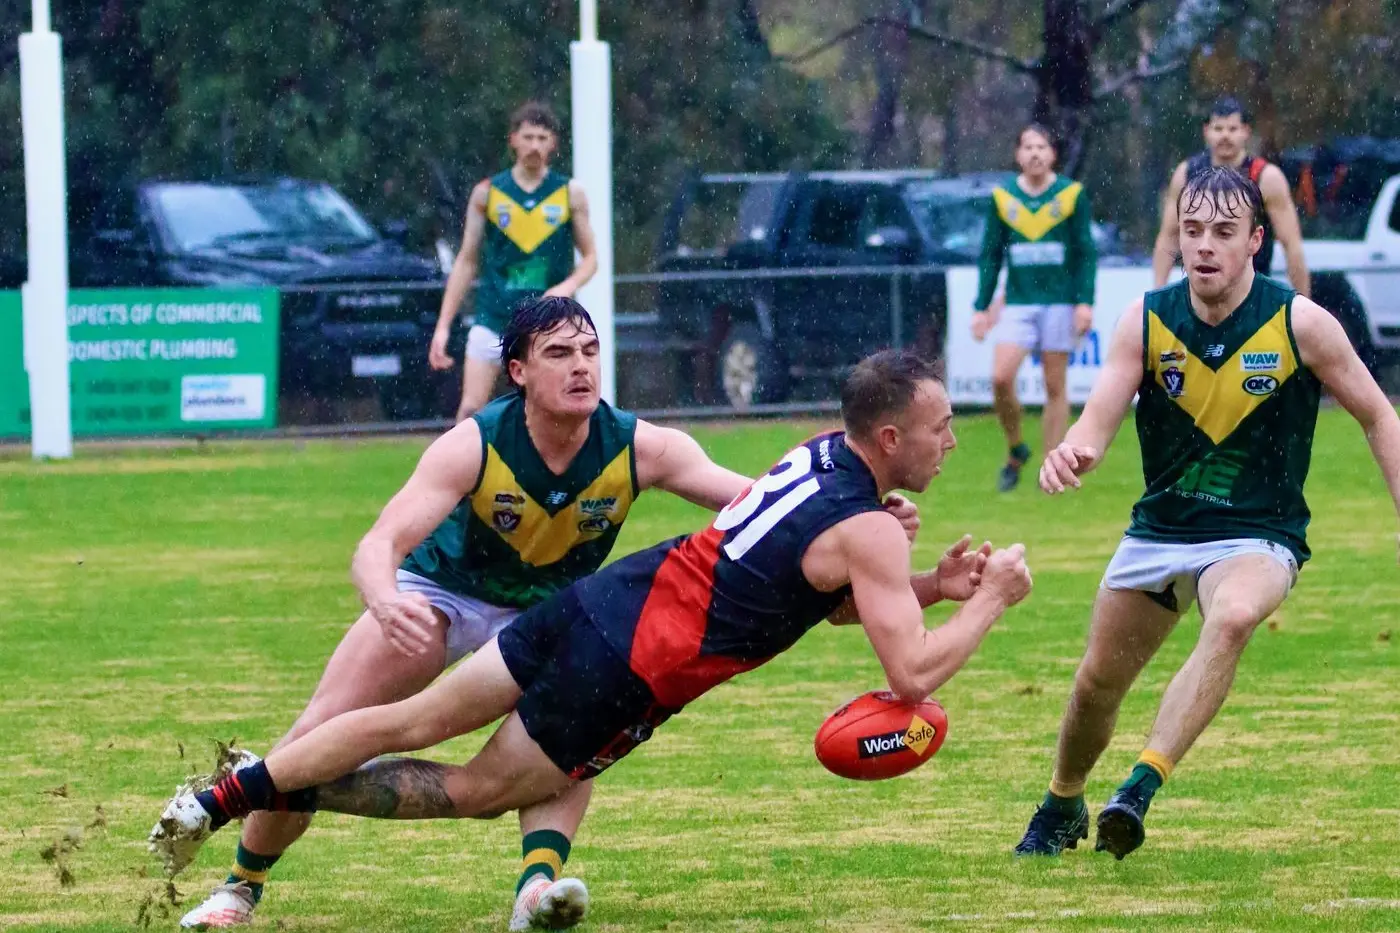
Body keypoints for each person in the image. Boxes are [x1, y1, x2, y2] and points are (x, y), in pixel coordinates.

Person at [151, 351, 1033, 927]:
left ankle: (222, 794)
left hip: (596, 601)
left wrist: (929, 585)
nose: (953, 439)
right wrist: (990, 597)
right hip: (632, 666)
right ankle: (284, 794)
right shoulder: (873, 527)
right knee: (473, 790)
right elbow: (912, 675)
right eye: (941, 426)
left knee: (410, 718)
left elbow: (809, 592)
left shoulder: (816, 458)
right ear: (890, 436)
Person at [1015, 166, 1400, 861]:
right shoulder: (1148, 318)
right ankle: (1064, 800)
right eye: (1193, 230)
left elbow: (1377, 413)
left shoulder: (1300, 323)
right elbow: (1096, 423)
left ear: (1256, 240)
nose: (1205, 245)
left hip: (1259, 531)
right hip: (1162, 528)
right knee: (1096, 685)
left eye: (1224, 231)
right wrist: (1071, 452)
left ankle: (1137, 788)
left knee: (1233, 616)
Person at [429, 101, 598, 423]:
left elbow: (591, 259)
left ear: (553, 144)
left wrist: (566, 287)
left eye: (542, 138)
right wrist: (442, 326)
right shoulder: (488, 193)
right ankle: (466, 473)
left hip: (548, 324)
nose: (535, 145)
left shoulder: (569, 193)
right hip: (494, 316)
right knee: (470, 411)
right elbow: (466, 261)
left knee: (548, 413)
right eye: (529, 136)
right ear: (514, 140)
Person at [971, 123, 1098, 493]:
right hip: (1019, 303)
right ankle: (1016, 447)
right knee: (1000, 378)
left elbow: (1085, 254)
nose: (1035, 154)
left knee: (1054, 386)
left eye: (1041, 146)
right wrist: (981, 307)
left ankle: (1051, 467)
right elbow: (990, 256)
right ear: (1017, 154)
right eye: (1028, 147)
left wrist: (1084, 302)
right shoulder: (1003, 198)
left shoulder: (1071, 195)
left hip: (1059, 302)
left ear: (1052, 154)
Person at [1153, 96, 1310, 297]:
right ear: (1206, 132)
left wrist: (1303, 304)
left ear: (1246, 132)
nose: (1225, 136)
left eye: (1232, 129)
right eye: (1218, 129)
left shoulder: (1266, 178)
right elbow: (1168, 237)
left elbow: (1292, 245)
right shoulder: (1186, 174)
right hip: (1200, 295)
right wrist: (1157, 298)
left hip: (1253, 294)